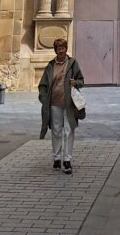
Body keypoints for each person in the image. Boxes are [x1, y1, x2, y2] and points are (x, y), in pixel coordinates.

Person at [38, 37, 85, 174]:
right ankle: (57, 159)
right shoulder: (50, 66)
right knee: (56, 130)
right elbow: (43, 85)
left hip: (69, 103)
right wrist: (44, 98)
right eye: (59, 49)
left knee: (69, 130)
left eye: (63, 48)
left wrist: (75, 83)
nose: (61, 51)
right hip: (54, 103)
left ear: (66, 49)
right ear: (55, 50)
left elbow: (81, 80)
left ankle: (67, 160)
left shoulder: (72, 63)